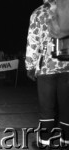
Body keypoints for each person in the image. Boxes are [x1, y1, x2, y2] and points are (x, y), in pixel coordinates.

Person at [25, 0, 69, 149]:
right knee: (66, 107)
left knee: (47, 109)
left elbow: (33, 41)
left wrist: (30, 66)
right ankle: (66, 141)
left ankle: (44, 143)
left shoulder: (39, 13)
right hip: (68, 66)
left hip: (46, 67)